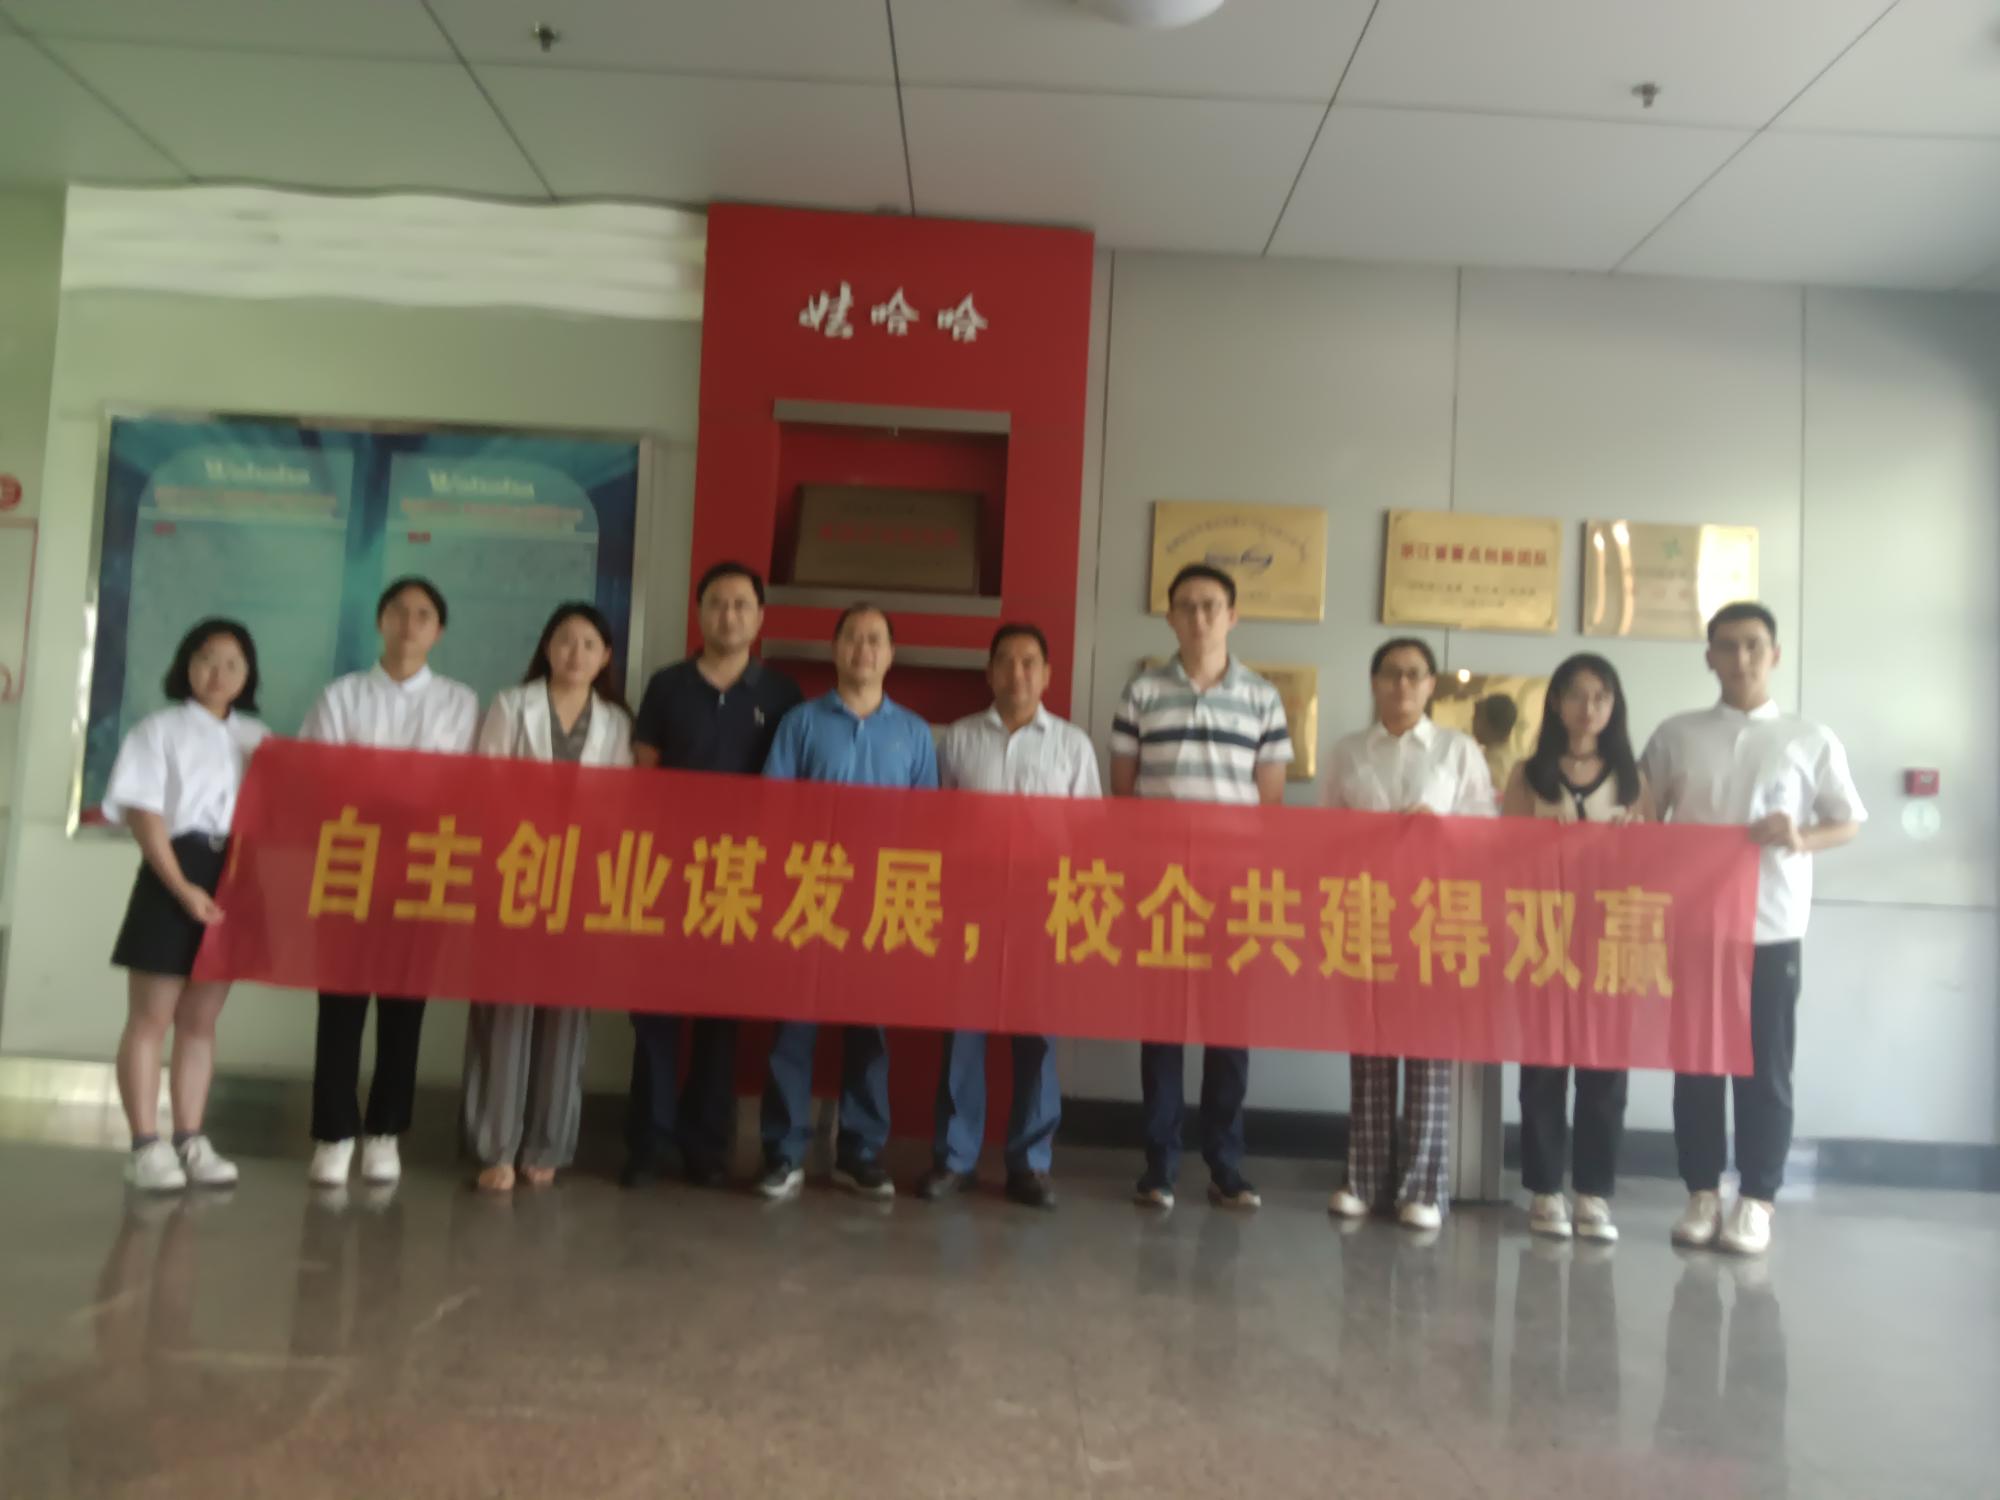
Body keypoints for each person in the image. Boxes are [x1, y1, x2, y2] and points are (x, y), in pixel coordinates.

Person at [1642, 603, 1863, 1257]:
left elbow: (1847, 820)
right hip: (1694, 926)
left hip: (1771, 924)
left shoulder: (1809, 738)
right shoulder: (1676, 735)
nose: (1740, 658)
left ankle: (1759, 1198)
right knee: (1697, 1066)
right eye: (1727, 646)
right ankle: (1701, 1193)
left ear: (1775, 655)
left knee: (1765, 1067)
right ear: (1708, 657)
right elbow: (1644, 814)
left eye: (1753, 645)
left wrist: (1802, 837)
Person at [1110, 563, 1292, 1212]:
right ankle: (1158, 1167)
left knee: (1228, 1032)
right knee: (1161, 1029)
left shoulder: (1263, 698)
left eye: (1211, 605)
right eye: (1186, 606)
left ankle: (1226, 1166)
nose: (1199, 616)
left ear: (1232, 616)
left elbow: (1268, 804)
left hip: (1234, 891)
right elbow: (1124, 791)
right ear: (1169, 617)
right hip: (1163, 889)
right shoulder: (1141, 692)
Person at [621, 561, 802, 1188]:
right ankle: (648, 1143)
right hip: (668, 873)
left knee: (721, 1019)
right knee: (655, 1016)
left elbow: (790, 793)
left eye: (741, 604)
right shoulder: (667, 686)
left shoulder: (781, 695)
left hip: (740, 880)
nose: (729, 615)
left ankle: (706, 1148)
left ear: (760, 616)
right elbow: (644, 776)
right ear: (699, 613)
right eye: (718, 604)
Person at [300, 577, 478, 1189]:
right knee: (340, 1002)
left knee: (405, 1005)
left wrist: (383, 785)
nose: (410, 623)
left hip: (424, 864)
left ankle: (385, 1131)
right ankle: (333, 1133)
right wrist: (401, 789)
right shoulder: (342, 695)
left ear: (438, 631)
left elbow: (459, 786)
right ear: (380, 621)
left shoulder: (459, 702)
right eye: (399, 611)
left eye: (423, 614)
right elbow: (319, 776)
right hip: (350, 860)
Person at [756, 603, 938, 1201]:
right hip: (809, 894)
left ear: (891, 654)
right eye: (854, 638)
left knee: (870, 1035)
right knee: (793, 1030)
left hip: (882, 901)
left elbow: (925, 826)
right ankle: (784, 1152)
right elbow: (774, 811)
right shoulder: (800, 723)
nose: (864, 649)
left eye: (875, 639)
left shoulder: (914, 733)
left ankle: (860, 1151)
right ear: (836, 649)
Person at [919, 623, 1100, 1211]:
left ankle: (1031, 1163)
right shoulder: (958, 739)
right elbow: (937, 825)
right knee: (962, 1034)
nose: (1017, 673)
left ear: (1047, 675)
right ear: (989, 672)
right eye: (1005, 661)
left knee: (1038, 1039)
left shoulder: (1073, 745)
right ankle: (955, 1158)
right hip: (971, 908)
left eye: (1029, 662)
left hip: (1044, 909)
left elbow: (1089, 838)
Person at [462, 603, 633, 1193]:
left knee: (566, 1011)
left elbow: (620, 806)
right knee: (504, 1008)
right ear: (547, 647)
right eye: (564, 640)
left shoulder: (616, 722)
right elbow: (486, 784)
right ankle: (496, 1147)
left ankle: (548, 1145)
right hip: (516, 869)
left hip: (581, 880)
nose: (575, 653)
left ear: (605, 657)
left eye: (589, 644)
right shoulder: (512, 705)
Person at [1325, 637, 1494, 1231]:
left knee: (1428, 1053)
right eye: (1391, 673)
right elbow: (1324, 834)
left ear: (1430, 685)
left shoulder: (1457, 750)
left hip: (1435, 915)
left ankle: (1424, 1187)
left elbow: (1486, 830)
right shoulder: (1348, 752)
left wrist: (1439, 829)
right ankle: (1364, 1179)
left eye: (1415, 674)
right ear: (1374, 683)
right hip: (1367, 912)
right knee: (1370, 1050)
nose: (1402, 684)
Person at [102, 619, 271, 1191]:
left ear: (247, 676)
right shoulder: (158, 730)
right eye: (206, 658)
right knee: (151, 1018)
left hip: (234, 876)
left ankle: (190, 1139)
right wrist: (181, 887)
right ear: (186, 665)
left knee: (200, 1022)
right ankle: (144, 1146)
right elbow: (144, 814)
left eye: (232, 663)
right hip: (172, 870)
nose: (218, 672)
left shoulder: (257, 739)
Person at [1501, 653, 1654, 1244]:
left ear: (1614, 706)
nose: (1588, 708)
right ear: (1556, 703)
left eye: (1600, 696)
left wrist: (1633, 843)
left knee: (1604, 1069)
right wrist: (1541, 847)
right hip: (1545, 933)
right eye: (1576, 695)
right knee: (1543, 1066)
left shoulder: (1634, 778)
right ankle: (1545, 1190)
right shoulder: (1528, 774)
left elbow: (1658, 863)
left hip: (1612, 935)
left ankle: (1593, 1193)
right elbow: (1503, 855)